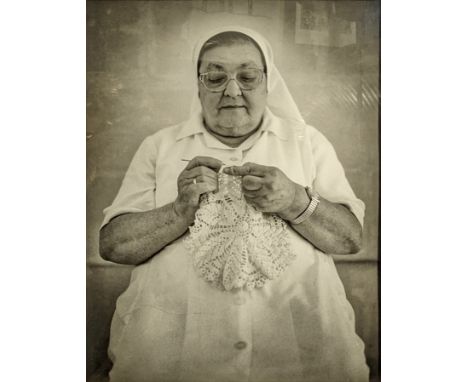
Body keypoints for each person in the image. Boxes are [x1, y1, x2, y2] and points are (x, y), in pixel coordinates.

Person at [99, 26, 369, 382]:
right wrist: (179, 210)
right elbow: (114, 245)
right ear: (197, 84)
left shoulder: (307, 142)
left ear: (268, 81)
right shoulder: (160, 146)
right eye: (214, 76)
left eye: (247, 75)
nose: (231, 90)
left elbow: (350, 239)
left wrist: (293, 201)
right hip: (172, 355)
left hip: (302, 351)